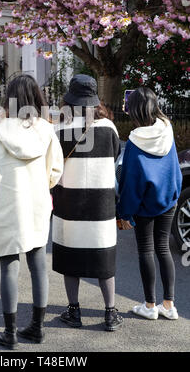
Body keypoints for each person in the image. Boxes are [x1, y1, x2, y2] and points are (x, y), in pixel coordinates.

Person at [0, 74, 64, 349]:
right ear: (37, 97)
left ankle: (10, 333)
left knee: (9, 267)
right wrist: (41, 183)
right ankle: (36, 328)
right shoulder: (46, 130)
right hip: (36, 204)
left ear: (8, 98)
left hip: (6, 204)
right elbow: (55, 171)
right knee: (38, 265)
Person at [52, 74, 123, 332]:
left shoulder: (59, 129)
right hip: (101, 205)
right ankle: (110, 313)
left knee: (71, 259)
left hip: (69, 203)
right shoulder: (109, 129)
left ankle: (74, 311)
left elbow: (53, 165)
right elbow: (114, 158)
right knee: (104, 261)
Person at [117, 87, 182, 320]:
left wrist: (124, 212)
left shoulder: (136, 140)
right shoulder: (168, 130)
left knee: (146, 250)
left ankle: (150, 305)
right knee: (163, 249)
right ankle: (169, 305)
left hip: (145, 204)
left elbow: (131, 181)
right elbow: (174, 167)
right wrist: (173, 194)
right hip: (168, 199)